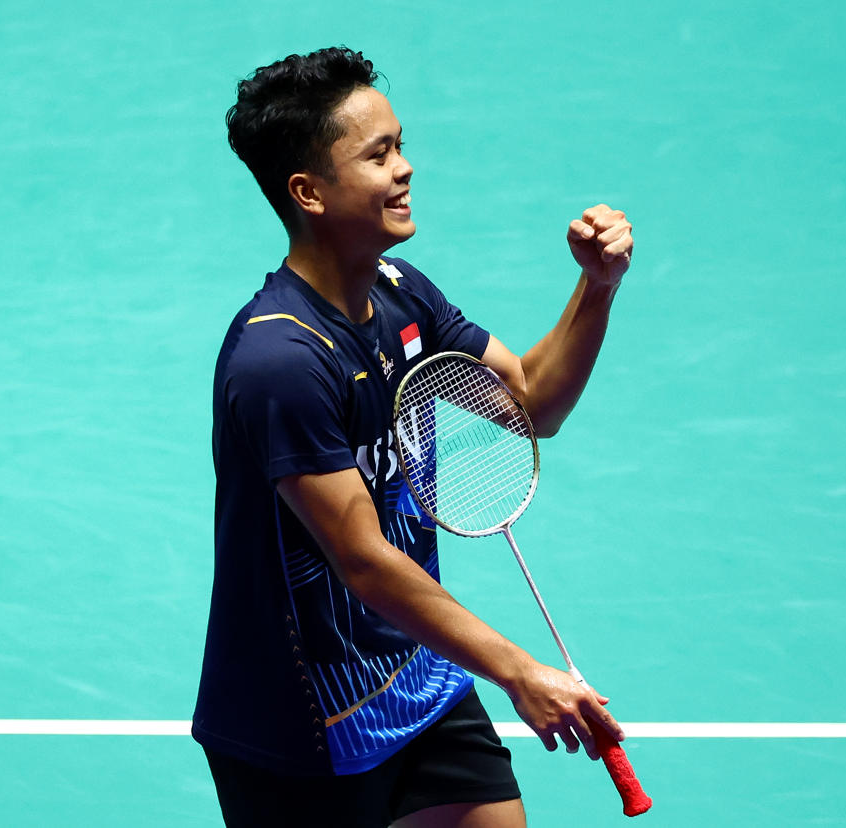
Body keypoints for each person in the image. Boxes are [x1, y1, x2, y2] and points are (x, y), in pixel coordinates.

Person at [192, 46, 634, 827]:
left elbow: (532, 403)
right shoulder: (280, 360)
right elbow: (362, 559)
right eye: (379, 154)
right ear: (308, 192)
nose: (405, 168)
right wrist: (519, 672)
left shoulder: (404, 297)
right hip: (300, 725)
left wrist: (596, 289)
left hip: (416, 679)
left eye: (399, 145)